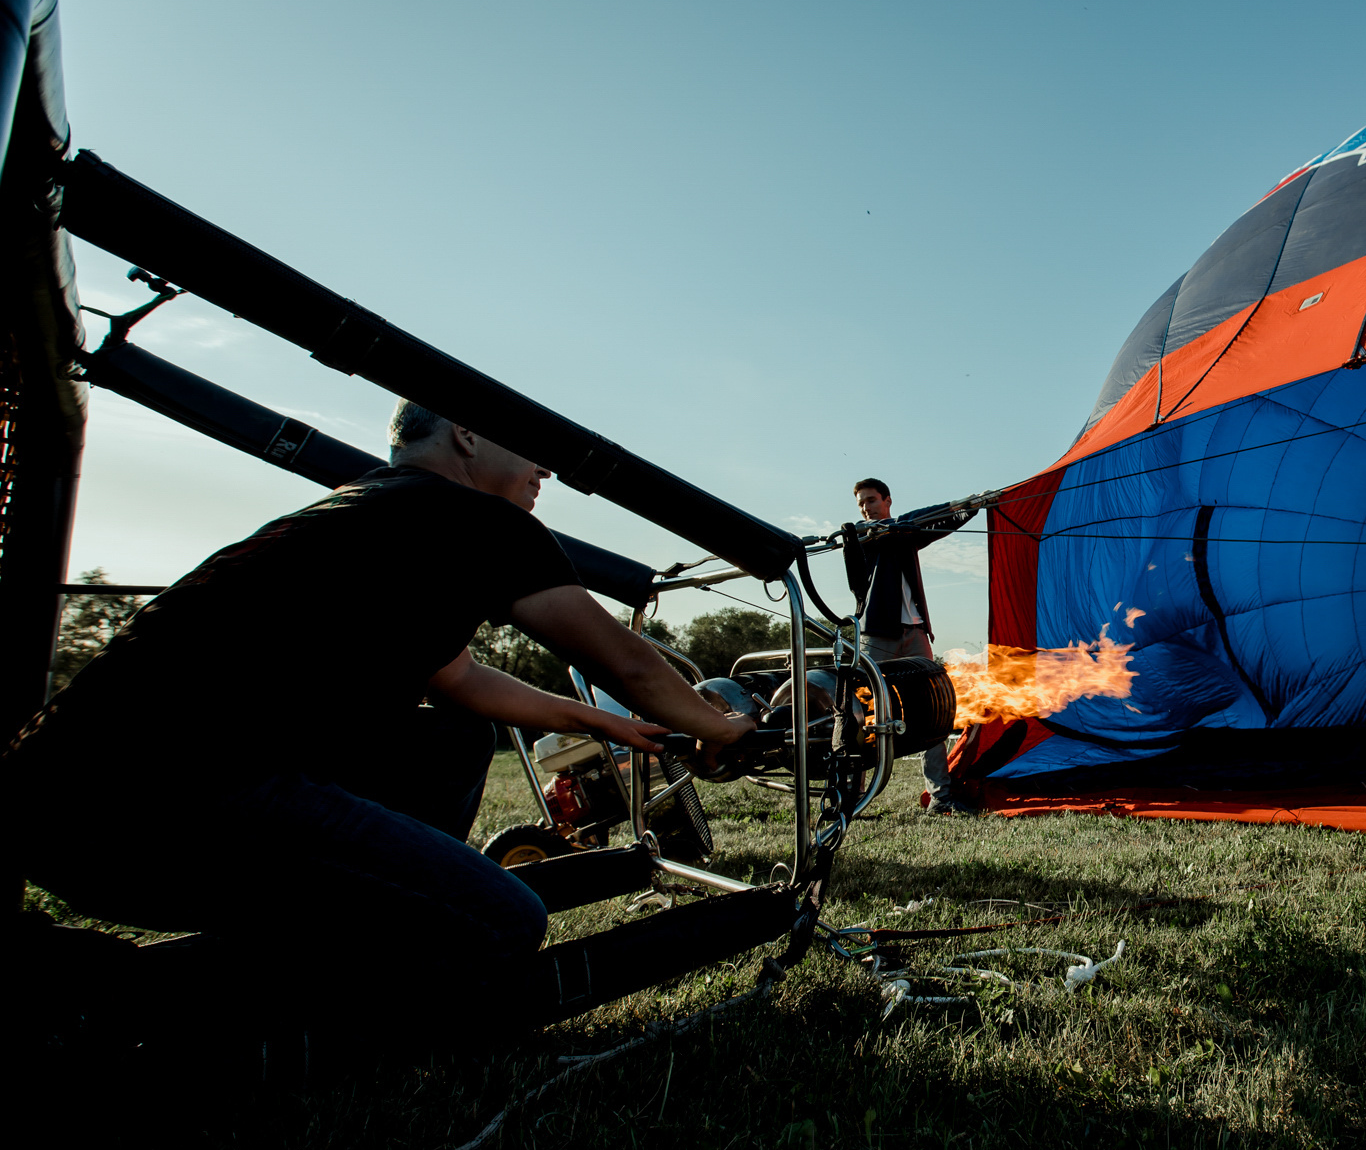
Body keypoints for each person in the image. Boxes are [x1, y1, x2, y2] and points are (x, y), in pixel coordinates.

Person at [5, 400, 756, 1051]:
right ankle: (91, 987)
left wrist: (604, 724)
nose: (546, 470)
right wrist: (724, 730)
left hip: (54, 809)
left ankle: (377, 915)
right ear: (466, 432)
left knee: (454, 738)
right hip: (165, 804)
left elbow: (457, 677)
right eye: (531, 449)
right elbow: (631, 663)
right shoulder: (477, 521)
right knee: (499, 926)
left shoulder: (364, 511)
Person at [842, 477, 976, 813]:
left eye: (871, 500)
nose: (865, 508)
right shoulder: (860, 535)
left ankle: (940, 797)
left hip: (915, 632)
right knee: (861, 714)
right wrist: (956, 506)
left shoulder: (905, 534)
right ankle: (850, 798)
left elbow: (929, 526)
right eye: (861, 503)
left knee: (934, 713)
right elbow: (910, 524)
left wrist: (967, 509)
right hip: (878, 635)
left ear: (887, 500)